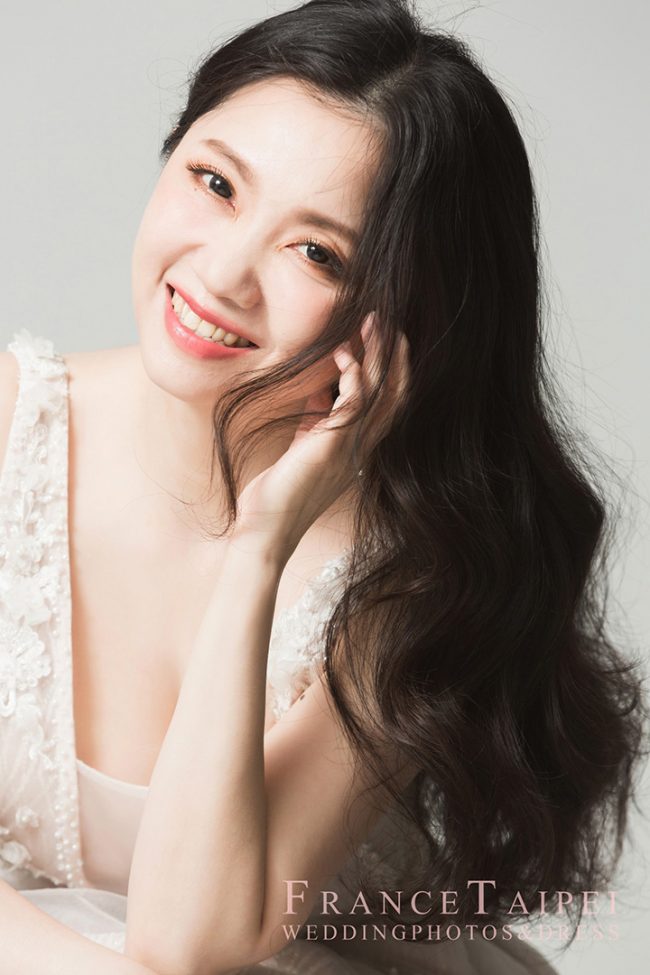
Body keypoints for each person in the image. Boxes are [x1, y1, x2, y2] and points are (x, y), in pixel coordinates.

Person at [0, 0, 645, 972]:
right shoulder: (9, 428)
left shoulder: (420, 569)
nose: (223, 273)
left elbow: (192, 940)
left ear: (405, 314)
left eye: (318, 253)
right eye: (215, 183)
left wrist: (260, 544)